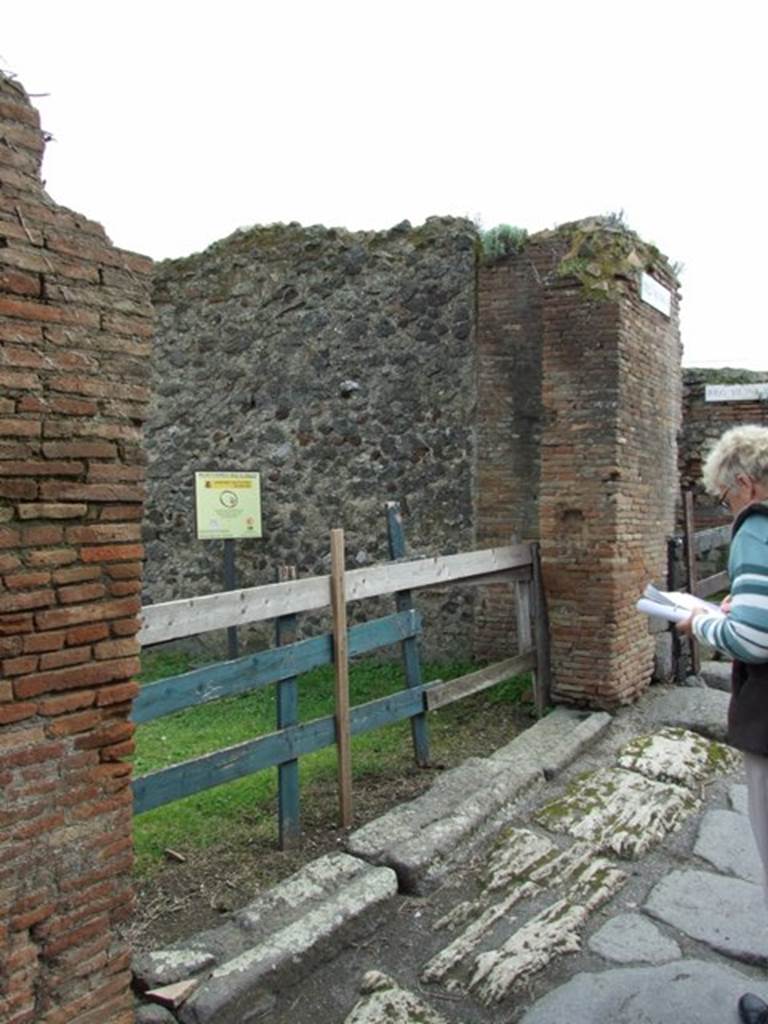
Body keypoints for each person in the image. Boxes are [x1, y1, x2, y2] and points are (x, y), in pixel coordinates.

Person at [677, 424, 768, 1024]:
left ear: (743, 481)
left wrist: (702, 624)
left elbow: (755, 640)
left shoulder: (756, 526)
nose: (729, 507)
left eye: (726, 496)